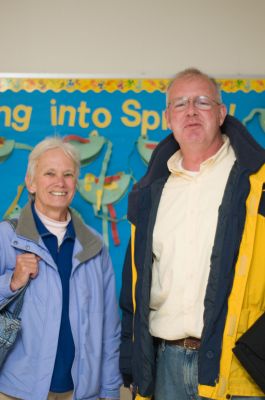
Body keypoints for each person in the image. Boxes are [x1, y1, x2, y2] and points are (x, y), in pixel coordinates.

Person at [119, 68, 265, 400]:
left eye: (202, 101)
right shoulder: (149, 193)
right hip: (165, 363)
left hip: (239, 367)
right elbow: (134, 286)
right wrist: (130, 358)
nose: (191, 111)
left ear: (222, 113)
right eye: (180, 103)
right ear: (167, 117)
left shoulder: (259, 182)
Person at [0, 137, 122, 400]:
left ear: (75, 184)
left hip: (79, 392)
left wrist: (111, 390)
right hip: (17, 391)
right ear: (31, 183)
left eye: (68, 174)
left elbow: (109, 327)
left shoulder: (93, 245)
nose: (60, 182)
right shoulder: (6, 236)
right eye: (50, 173)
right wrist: (11, 281)